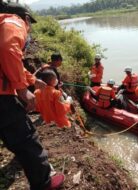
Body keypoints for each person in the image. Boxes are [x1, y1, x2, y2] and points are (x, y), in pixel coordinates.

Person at [0, 2, 64, 190]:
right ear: (26, 18)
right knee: (26, 139)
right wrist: (21, 89)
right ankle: (45, 182)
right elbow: (7, 50)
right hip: (3, 98)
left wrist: (31, 80)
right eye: (30, 23)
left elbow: (10, 63)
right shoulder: (14, 22)